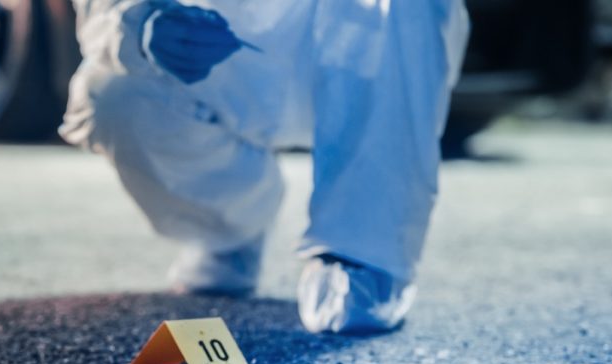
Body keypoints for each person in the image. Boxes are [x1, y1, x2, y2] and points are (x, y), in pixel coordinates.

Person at [60, 0, 470, 334]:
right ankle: (228, 227)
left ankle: (365, 253)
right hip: (220, 46)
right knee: (113, 94)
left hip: (365, 46)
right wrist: (143, 25)